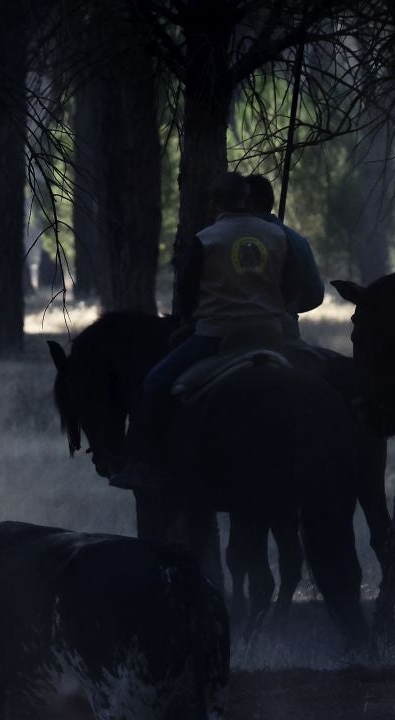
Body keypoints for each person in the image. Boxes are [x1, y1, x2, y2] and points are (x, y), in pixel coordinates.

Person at [123, 171, 295, 490]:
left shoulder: (207, 239)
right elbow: (290, 284)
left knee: (154, 382)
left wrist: (190, 316)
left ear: (215, 202)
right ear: (247, 198)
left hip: (216, 336)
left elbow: (187, 294)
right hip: (272, 334)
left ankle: (141, 463)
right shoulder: (277, 235)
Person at [243, 173, 327, 340]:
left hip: (235, 331)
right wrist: (291, 307)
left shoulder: (229, 236)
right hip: (285, 331)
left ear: (249, 202)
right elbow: (314, 294)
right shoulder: (296, 241)